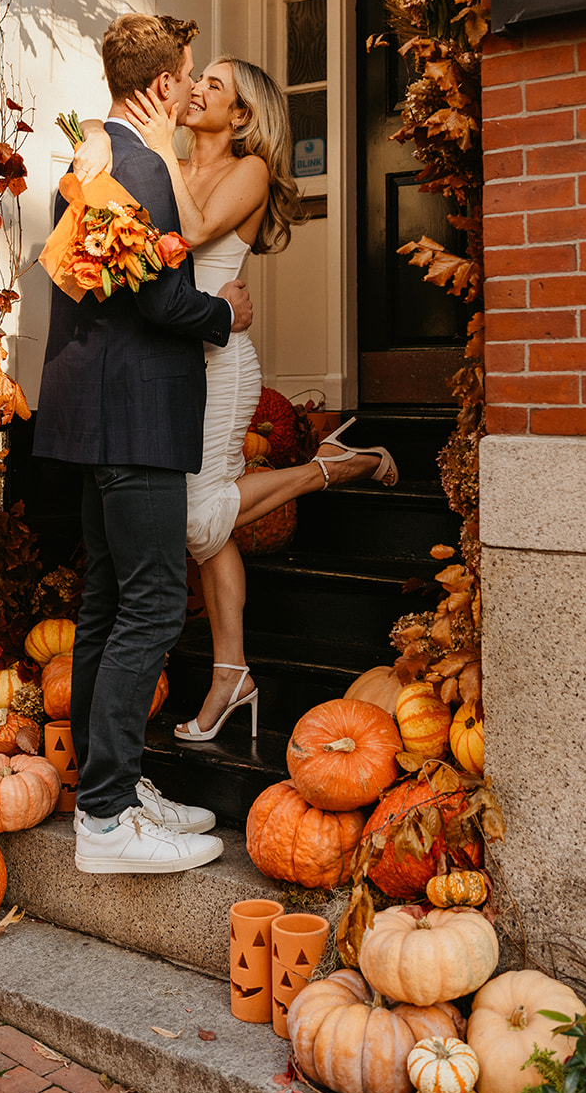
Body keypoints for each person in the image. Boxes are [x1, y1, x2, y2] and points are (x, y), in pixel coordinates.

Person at [75, 38, 396, 745]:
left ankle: (333, 467)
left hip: (219, 362)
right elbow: (115, 157)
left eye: (212, 87)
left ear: (242, 115)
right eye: (199, 80)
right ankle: (232, 674)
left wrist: (153, 151)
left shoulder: (249, 170)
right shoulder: (176, 158)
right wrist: (100, 137)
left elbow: (182, 233)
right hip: (172, 356)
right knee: (211, 533)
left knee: (195, 520)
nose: (195, 92)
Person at [33, 13, 253, 874]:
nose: (189, 86)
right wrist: (224, 315)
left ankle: (108, 785)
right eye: (187, 75)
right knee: (155, 604)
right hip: (139, 417)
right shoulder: (143, 168)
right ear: (162, 86)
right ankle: (104, 816)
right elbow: (161, 305)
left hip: (88, 415)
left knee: (104, 605)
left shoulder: (87, 163)